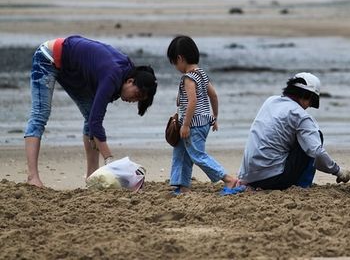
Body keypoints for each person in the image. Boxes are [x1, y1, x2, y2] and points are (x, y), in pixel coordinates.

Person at [24, 35, 157, 188]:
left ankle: (91, 175)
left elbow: (95, 118)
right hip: (49, 56)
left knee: (90, 116)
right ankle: (32, 177)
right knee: (40, 114)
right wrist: (110, 161)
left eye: (138, 100)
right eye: (136, 95)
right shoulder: (112, 76)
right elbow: (96, 122)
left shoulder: (125, 75)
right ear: (130, 81)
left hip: (72, 70)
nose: (133, 100)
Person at [238, 72, 350, 190]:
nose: (309, 106)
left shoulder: (270, 101)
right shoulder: (300, 115)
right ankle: (303, 185)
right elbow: (317, 153)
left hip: (248, 177)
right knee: (315, 136)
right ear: (307, 96)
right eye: (312, 101)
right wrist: (338, 171)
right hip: (273, 179)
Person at [166, 35, 241, 194]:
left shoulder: (188, 78)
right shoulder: (201, 74)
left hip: (192, 124)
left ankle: (229, 180)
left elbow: (192, 101)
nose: (176, 67)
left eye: (174, 63)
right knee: (181, 151)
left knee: (197, 155)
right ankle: (182, 185)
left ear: (180, 58)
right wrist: (215, 117)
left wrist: (185, 124)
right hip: (204, 121)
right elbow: (213, 95)